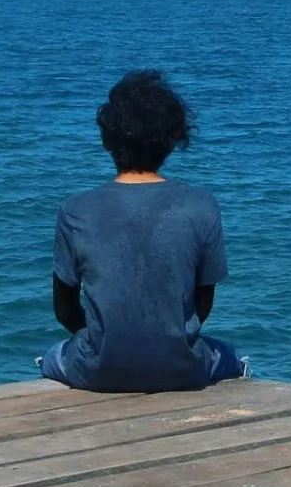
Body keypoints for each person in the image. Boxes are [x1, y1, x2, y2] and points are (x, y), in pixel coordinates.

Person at [37, 69, 249, 391]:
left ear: (107, 139)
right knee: (231, 356)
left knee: (52, 355)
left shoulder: (74, 209)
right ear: (172, 139)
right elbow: (202, 306)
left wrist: (105, 338)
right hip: (182, 370)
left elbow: (64, 311)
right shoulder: (202, 205)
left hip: (99, 370)